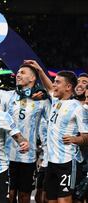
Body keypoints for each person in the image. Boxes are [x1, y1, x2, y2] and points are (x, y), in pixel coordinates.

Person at [5, 64, 50, 203]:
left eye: (22, 72)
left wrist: (46, 93)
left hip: (28, 157)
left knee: (24, 196)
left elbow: (52, 122)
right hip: (7, 155)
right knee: (9, 195)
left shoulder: (42, 101)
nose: (18, 75)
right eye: (17, 72)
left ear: (32, 78)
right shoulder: (8, 96)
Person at [44, 71, 88, 203]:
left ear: (68, 87)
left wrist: (76, 139)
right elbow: (48, 87)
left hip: (68, 162)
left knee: (64, 201)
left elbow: (86, 136)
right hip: (51, 161)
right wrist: (40, 70)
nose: (54, 84)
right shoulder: (55, 101)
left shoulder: (78, 108)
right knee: (49, 200)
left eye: (57, 82)